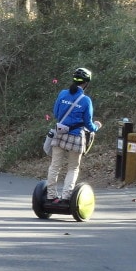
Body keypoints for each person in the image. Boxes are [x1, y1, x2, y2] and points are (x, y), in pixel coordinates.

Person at [46, 67, 102, 203]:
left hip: (60, 133)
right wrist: (96, 127)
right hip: (76, 137)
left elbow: (56, 113)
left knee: (55, 165)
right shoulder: (85, 100)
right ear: (86, 83)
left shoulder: (62, 94)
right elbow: (88, 124)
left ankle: (51, 195)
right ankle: (66, 196)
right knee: (73, 167)